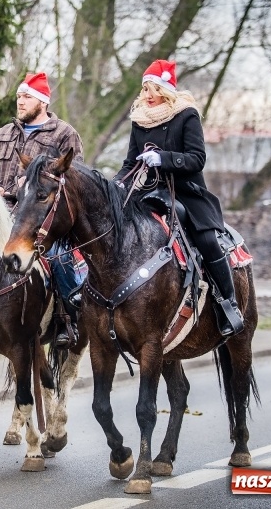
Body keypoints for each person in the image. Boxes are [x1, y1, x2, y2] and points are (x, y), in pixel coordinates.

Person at [113, 59, 243, 337]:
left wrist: (164, 158)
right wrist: (117, 185)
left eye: (151, 89)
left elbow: (197, 159)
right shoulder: (140, 119)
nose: (146, 95)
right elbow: (129, 163)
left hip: (187, 193)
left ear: (165, 89)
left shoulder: (187, 115)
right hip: (149, 191)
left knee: (207, 241)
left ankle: (228, 304)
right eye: (144, 89)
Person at [0, 72, 86, 348]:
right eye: (18, 97)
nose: (20, 102)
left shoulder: (65, 134)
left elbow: (74, 177)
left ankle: (67, 319)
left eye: (26, 97)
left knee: (59, 256)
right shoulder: (4, 133)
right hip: (1, 212)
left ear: (42, 101)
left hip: (42, 217)